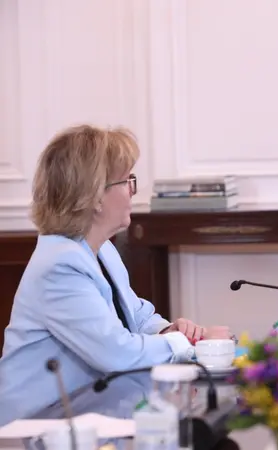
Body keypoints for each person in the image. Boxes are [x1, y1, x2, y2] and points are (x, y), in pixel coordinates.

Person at [0, 125, 224, 426]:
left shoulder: (100, 249)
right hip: (33, 426)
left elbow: (137, 317)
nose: (132, 190)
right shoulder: (60, 266)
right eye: (127, 180)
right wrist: (184, 343)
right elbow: (116, 353)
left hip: (85, 412)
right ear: (95, 197)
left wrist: (169, 330)